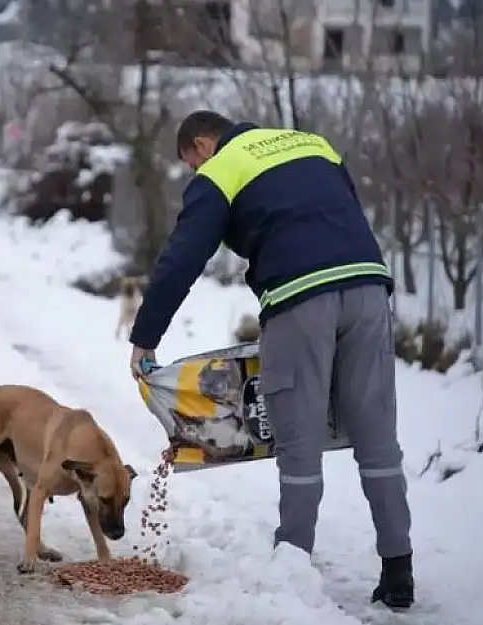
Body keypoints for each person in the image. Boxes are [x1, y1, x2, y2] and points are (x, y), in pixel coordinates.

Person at [126, 111, 415, 609]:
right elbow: (336, 208)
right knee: (375, 432)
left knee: (298, 436)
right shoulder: (313, 143)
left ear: (201, 143)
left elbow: (184, 256)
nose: (196, 173)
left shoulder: (222, 167)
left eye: (192, 163)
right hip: (369, 286)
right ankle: (399, 571)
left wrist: (146, 336)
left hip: (300, 298)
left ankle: (291, 574)